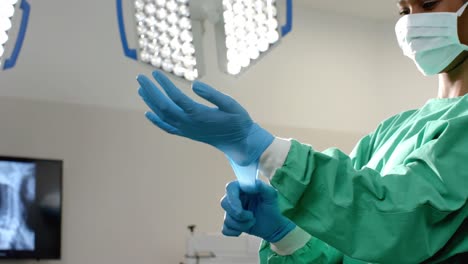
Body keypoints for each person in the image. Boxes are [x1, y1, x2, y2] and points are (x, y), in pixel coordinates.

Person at [137, 0, 468, 263]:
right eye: (404, 10)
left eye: (427, 3)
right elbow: (351, 241)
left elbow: (400, 220)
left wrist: (265, 150)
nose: (412, 21)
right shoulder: (392, 131)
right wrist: (287, 233)